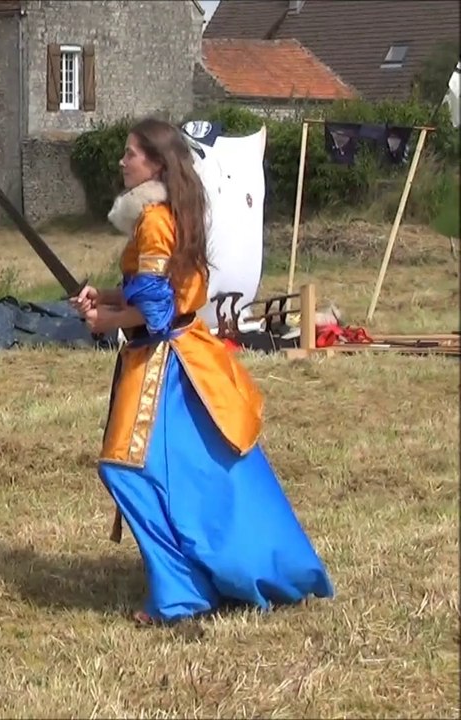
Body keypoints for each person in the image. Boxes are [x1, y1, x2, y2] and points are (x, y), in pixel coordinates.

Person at [70, 117, 334, 627]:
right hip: (186, 354)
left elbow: (157, 313)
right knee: (190, 472)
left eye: (131, 154)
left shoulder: (153, 220)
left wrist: (106, 319)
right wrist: (104, 297)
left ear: (157, 164)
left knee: (128, 469)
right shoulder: (170, 211)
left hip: (163, 361)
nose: (122, 161)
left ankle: (182, 592)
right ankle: (214, 572)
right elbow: (157, 294)